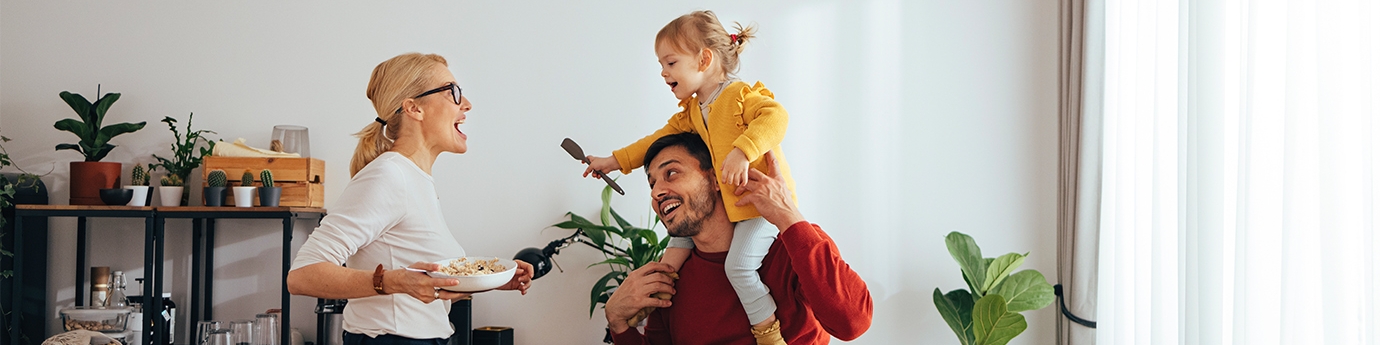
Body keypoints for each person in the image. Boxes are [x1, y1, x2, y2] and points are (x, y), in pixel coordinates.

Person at [286, 52, 534, 345]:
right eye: (453, 92)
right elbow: (301, 276)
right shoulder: (389, 176)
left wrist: (490, 280)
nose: (466, 104)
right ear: (414, 108)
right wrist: (390, 281)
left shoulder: (415, 180)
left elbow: (420, 287)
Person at [582, 11, 798, 343]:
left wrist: (743, 150)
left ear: (704, 59)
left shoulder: (738, 96)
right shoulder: (694, 113)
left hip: (757, 208)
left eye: (670, 62)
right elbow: (653, 142)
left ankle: (767, 332)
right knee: (670, 263)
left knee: (739, 269)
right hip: (727, 206)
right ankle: (642, 307)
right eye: (661, 64)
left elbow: (776, 116)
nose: (663, 72)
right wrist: (612, 162)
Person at [604, 133, 872, 344]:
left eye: (671, 173)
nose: (657, 192)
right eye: (652, 184)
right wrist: (617, 322)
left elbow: (852, 324)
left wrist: (787, 214)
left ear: (716, 178)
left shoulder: (792, 246)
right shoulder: (669, 277)